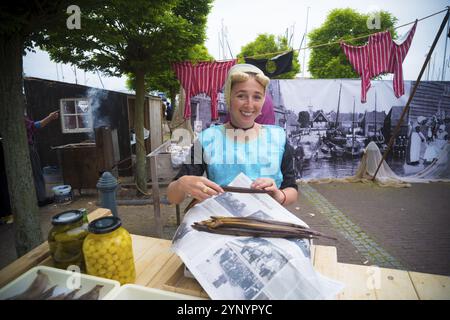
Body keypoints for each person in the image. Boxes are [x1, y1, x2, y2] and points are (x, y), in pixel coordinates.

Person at [167, 64, 298, 206]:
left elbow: (291, 188)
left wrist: (280, 195)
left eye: (257, 97)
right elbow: (172, 198)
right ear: (229, 98)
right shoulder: (207, 139)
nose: (249, 104)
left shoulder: (278, 137)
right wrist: (181, 184)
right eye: (241, 96)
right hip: (222, 222)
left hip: (268, 223)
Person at [25, 110, 59, 206]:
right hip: (27, 148)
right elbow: (35, 126)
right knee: (36, 174)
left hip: (25, 147)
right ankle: (41, 199)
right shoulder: (16, 116)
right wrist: (50, 117)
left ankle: (36, 198)